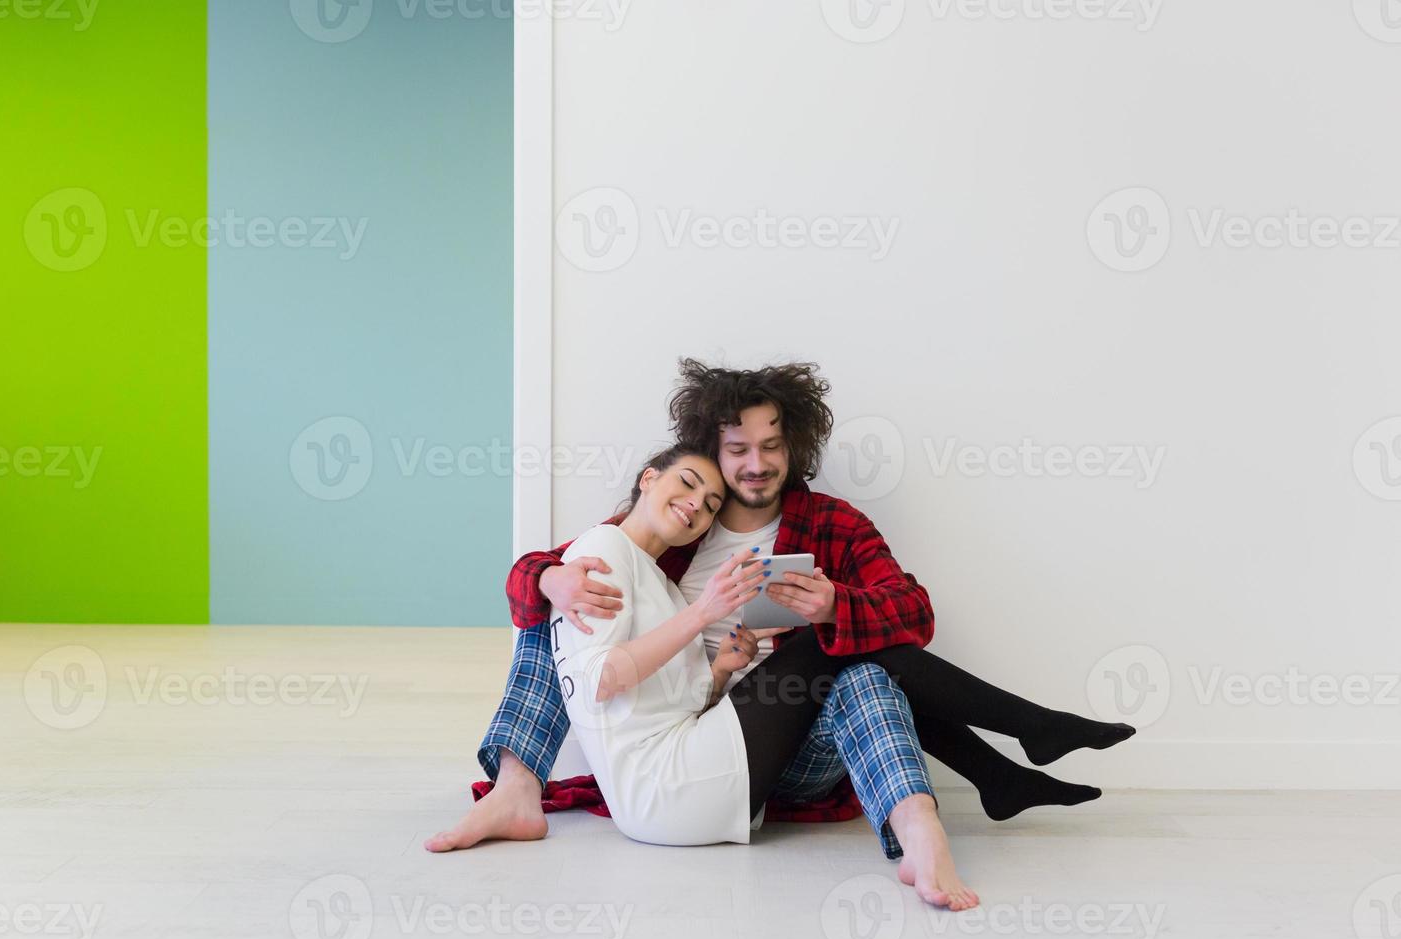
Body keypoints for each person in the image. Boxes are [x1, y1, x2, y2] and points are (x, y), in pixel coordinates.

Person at [426, 360, 1134, 884]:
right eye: (735, 450)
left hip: (803, 747)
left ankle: (928, 823)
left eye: (771, 446)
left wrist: (835, 607)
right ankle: (1018, 745)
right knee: (561, 604)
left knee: (856, 664)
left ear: (794, 447)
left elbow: (914, 612)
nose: (755, 464)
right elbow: (536, 583)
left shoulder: (832, 523)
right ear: (708, 454)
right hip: (697, 746)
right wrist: (553, 579)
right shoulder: (673, 532)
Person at [546, 444, 980, 909]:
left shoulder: (662, 583)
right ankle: (1011, 738)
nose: (698, 504)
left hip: (677, 773)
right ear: (649, 478)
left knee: (857, 666)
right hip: (663, 787)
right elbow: (597, 684)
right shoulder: (602, 548)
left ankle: (932, 819)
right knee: (823, 640)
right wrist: (703, 613)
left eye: (713, 503)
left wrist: (720, 669)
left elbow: (673, 703)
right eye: (688, 482)